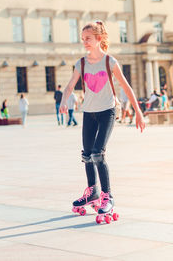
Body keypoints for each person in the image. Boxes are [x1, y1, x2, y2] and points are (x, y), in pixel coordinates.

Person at [60, 21, 145, 220]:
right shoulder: (81, 63)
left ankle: (107, 196)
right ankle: (93, 192)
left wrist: (138, 112)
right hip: (88, 113)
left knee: (98, 153)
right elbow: (70, 85)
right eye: (83, 39)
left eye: (88, 39)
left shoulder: (110, 62)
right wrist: (64, 100)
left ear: (99, 39)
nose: (85, 42)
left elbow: (126, 88)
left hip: (107, 111)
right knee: (87, 154)